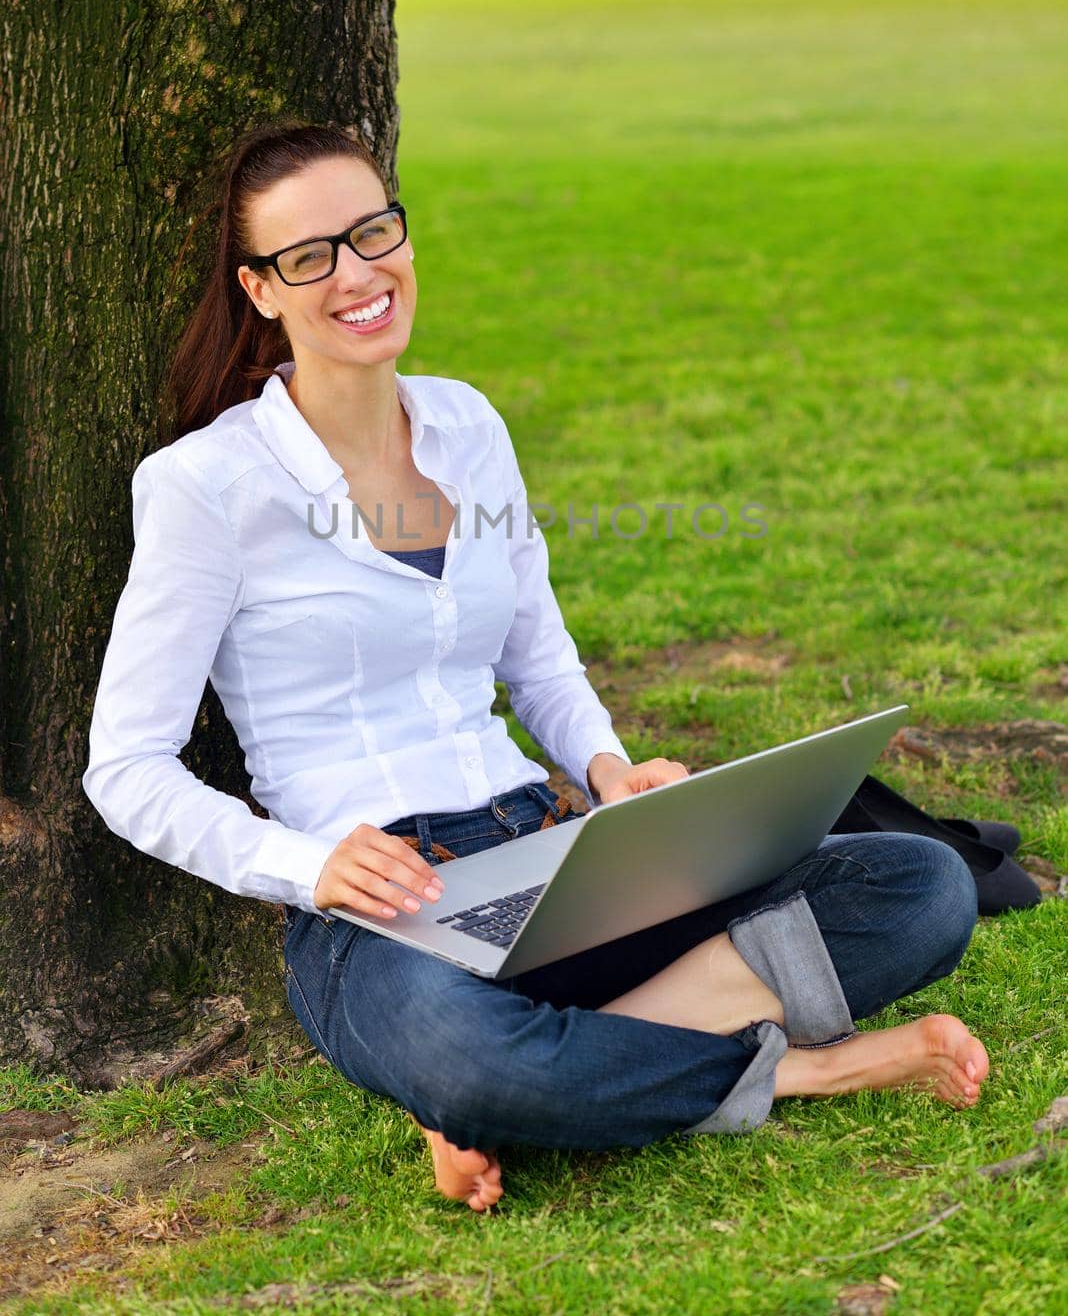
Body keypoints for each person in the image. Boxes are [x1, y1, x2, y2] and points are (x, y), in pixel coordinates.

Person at [83, 119, 989, 1214]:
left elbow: (538, 655)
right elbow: (125, 765)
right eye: (308, 255)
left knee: (922, 886)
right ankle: (802, 1066)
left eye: (373, 232)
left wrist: (609, 771)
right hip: (383, 915)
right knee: (466, 1053)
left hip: (553, 854)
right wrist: (304, 864)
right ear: (261, 290)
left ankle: (553, 1077)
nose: (356, 274)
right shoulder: (206, 484)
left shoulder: (466, 423)